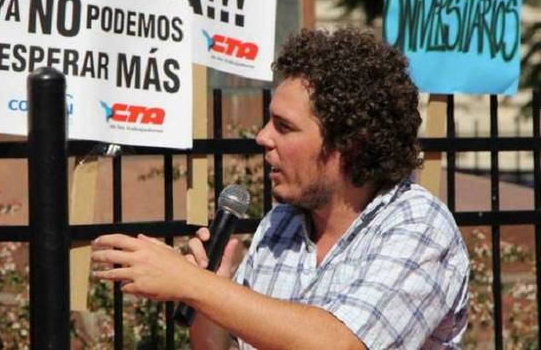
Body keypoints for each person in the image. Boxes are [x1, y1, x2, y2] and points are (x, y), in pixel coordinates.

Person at [92, 27, 470, 350]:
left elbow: (341, 343)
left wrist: (195, 284)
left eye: (283, 127)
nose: (262, 137)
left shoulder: (417, 222)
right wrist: (209, 294)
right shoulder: (281, 224)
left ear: (349, 143)